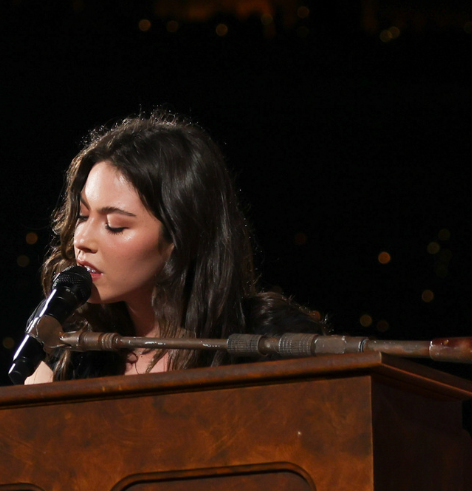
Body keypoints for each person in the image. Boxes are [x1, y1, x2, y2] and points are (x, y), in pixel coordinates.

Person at [24, 110, 323, 382]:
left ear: (181, 235)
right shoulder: (81, 360)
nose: (82, 240)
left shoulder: (269, 342)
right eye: (82, 216)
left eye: (115, 225)